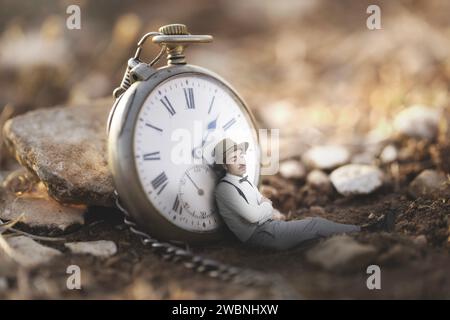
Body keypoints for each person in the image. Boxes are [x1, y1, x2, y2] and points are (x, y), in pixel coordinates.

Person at [213, 138, 394, 251]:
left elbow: (259, 208)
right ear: (224, 165)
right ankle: (366, 230)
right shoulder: (226, 188)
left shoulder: (244, 181)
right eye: (234, 158)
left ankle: (355, 236)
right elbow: (253, 216)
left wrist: (264, 208)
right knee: (315, 225)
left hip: (266, 227)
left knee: (312, 234)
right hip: (260, 235)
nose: (241, 161)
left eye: (241, 155)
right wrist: (266, 206)